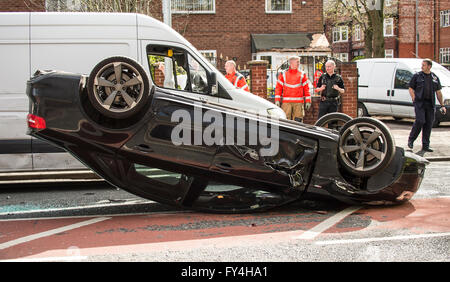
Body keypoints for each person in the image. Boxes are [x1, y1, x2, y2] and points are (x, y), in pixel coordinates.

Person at [407, 59, 447, 152]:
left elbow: (438, 92)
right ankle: (411, 140)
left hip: (430, 104)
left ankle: (425, 145)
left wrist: (442, 105)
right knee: (420, 121)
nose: (422, 67)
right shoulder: (417, 76)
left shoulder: (434, 78)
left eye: (424, 65)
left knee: (428, 124)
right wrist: (413, 97)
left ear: (429, 66)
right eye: (422, 65)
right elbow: (411, 88)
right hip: (420, 103)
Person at [274, 56, 311, 122]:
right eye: (297, 62)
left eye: (299, 62)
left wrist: (308, 100)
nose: (299, 63)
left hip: (298, 103)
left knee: (298, 122)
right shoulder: (283, 74)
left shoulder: (302, 74)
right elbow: (278, 88)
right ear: (291, 62)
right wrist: (277, 100)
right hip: (286, 103)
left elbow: (306, 89)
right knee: (285, 121)